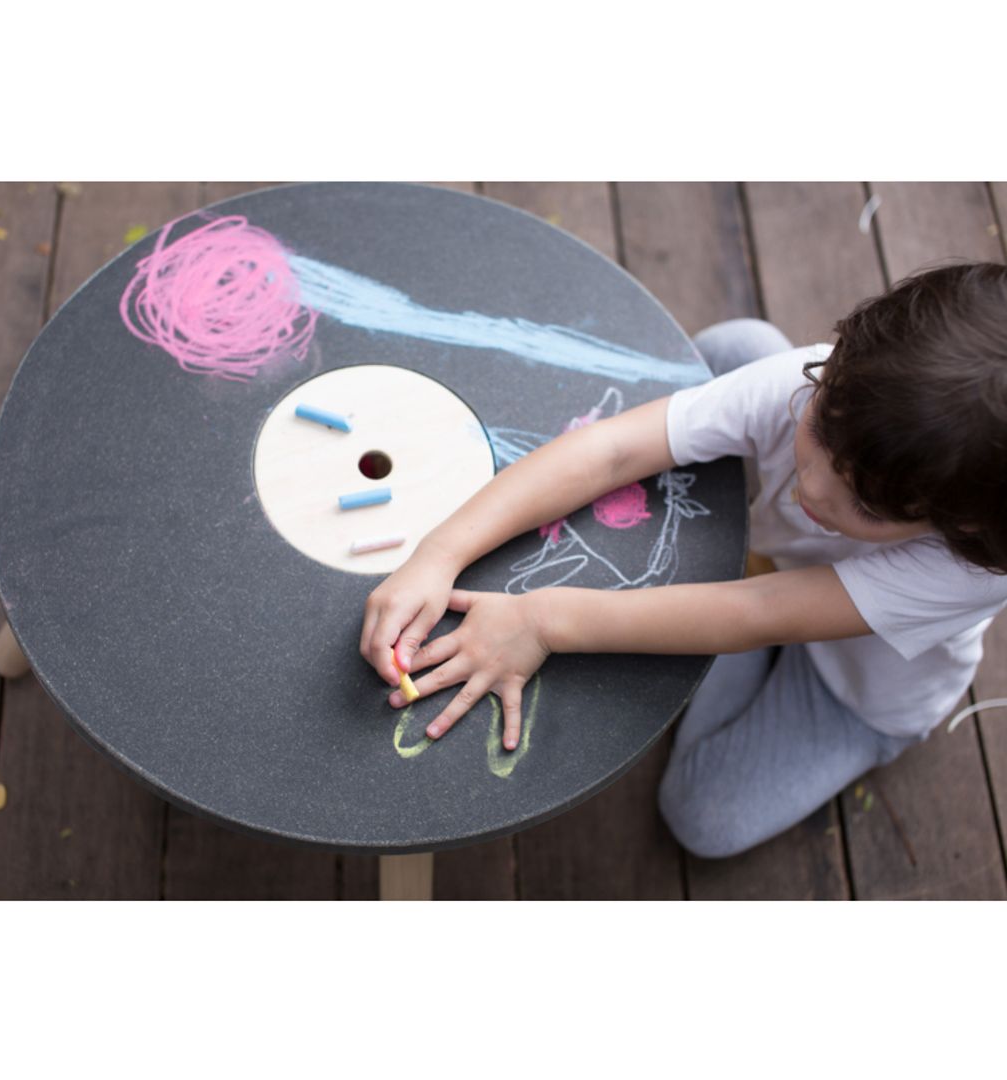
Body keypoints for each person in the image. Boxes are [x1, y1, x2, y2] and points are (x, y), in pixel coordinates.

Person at [359, 262, 1007, 858]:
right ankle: (740, 553)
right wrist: (439, 552)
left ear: (964, 523)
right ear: (837, 364)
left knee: (704, 817)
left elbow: (758, 612)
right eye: (821, 431)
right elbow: (612, 449)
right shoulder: (812, 383)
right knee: (739, 350)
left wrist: (539, 621)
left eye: (864, 506)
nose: (814, 489)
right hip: (771, 582)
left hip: (854, 689)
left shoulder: (969, 569)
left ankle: (763, 640)